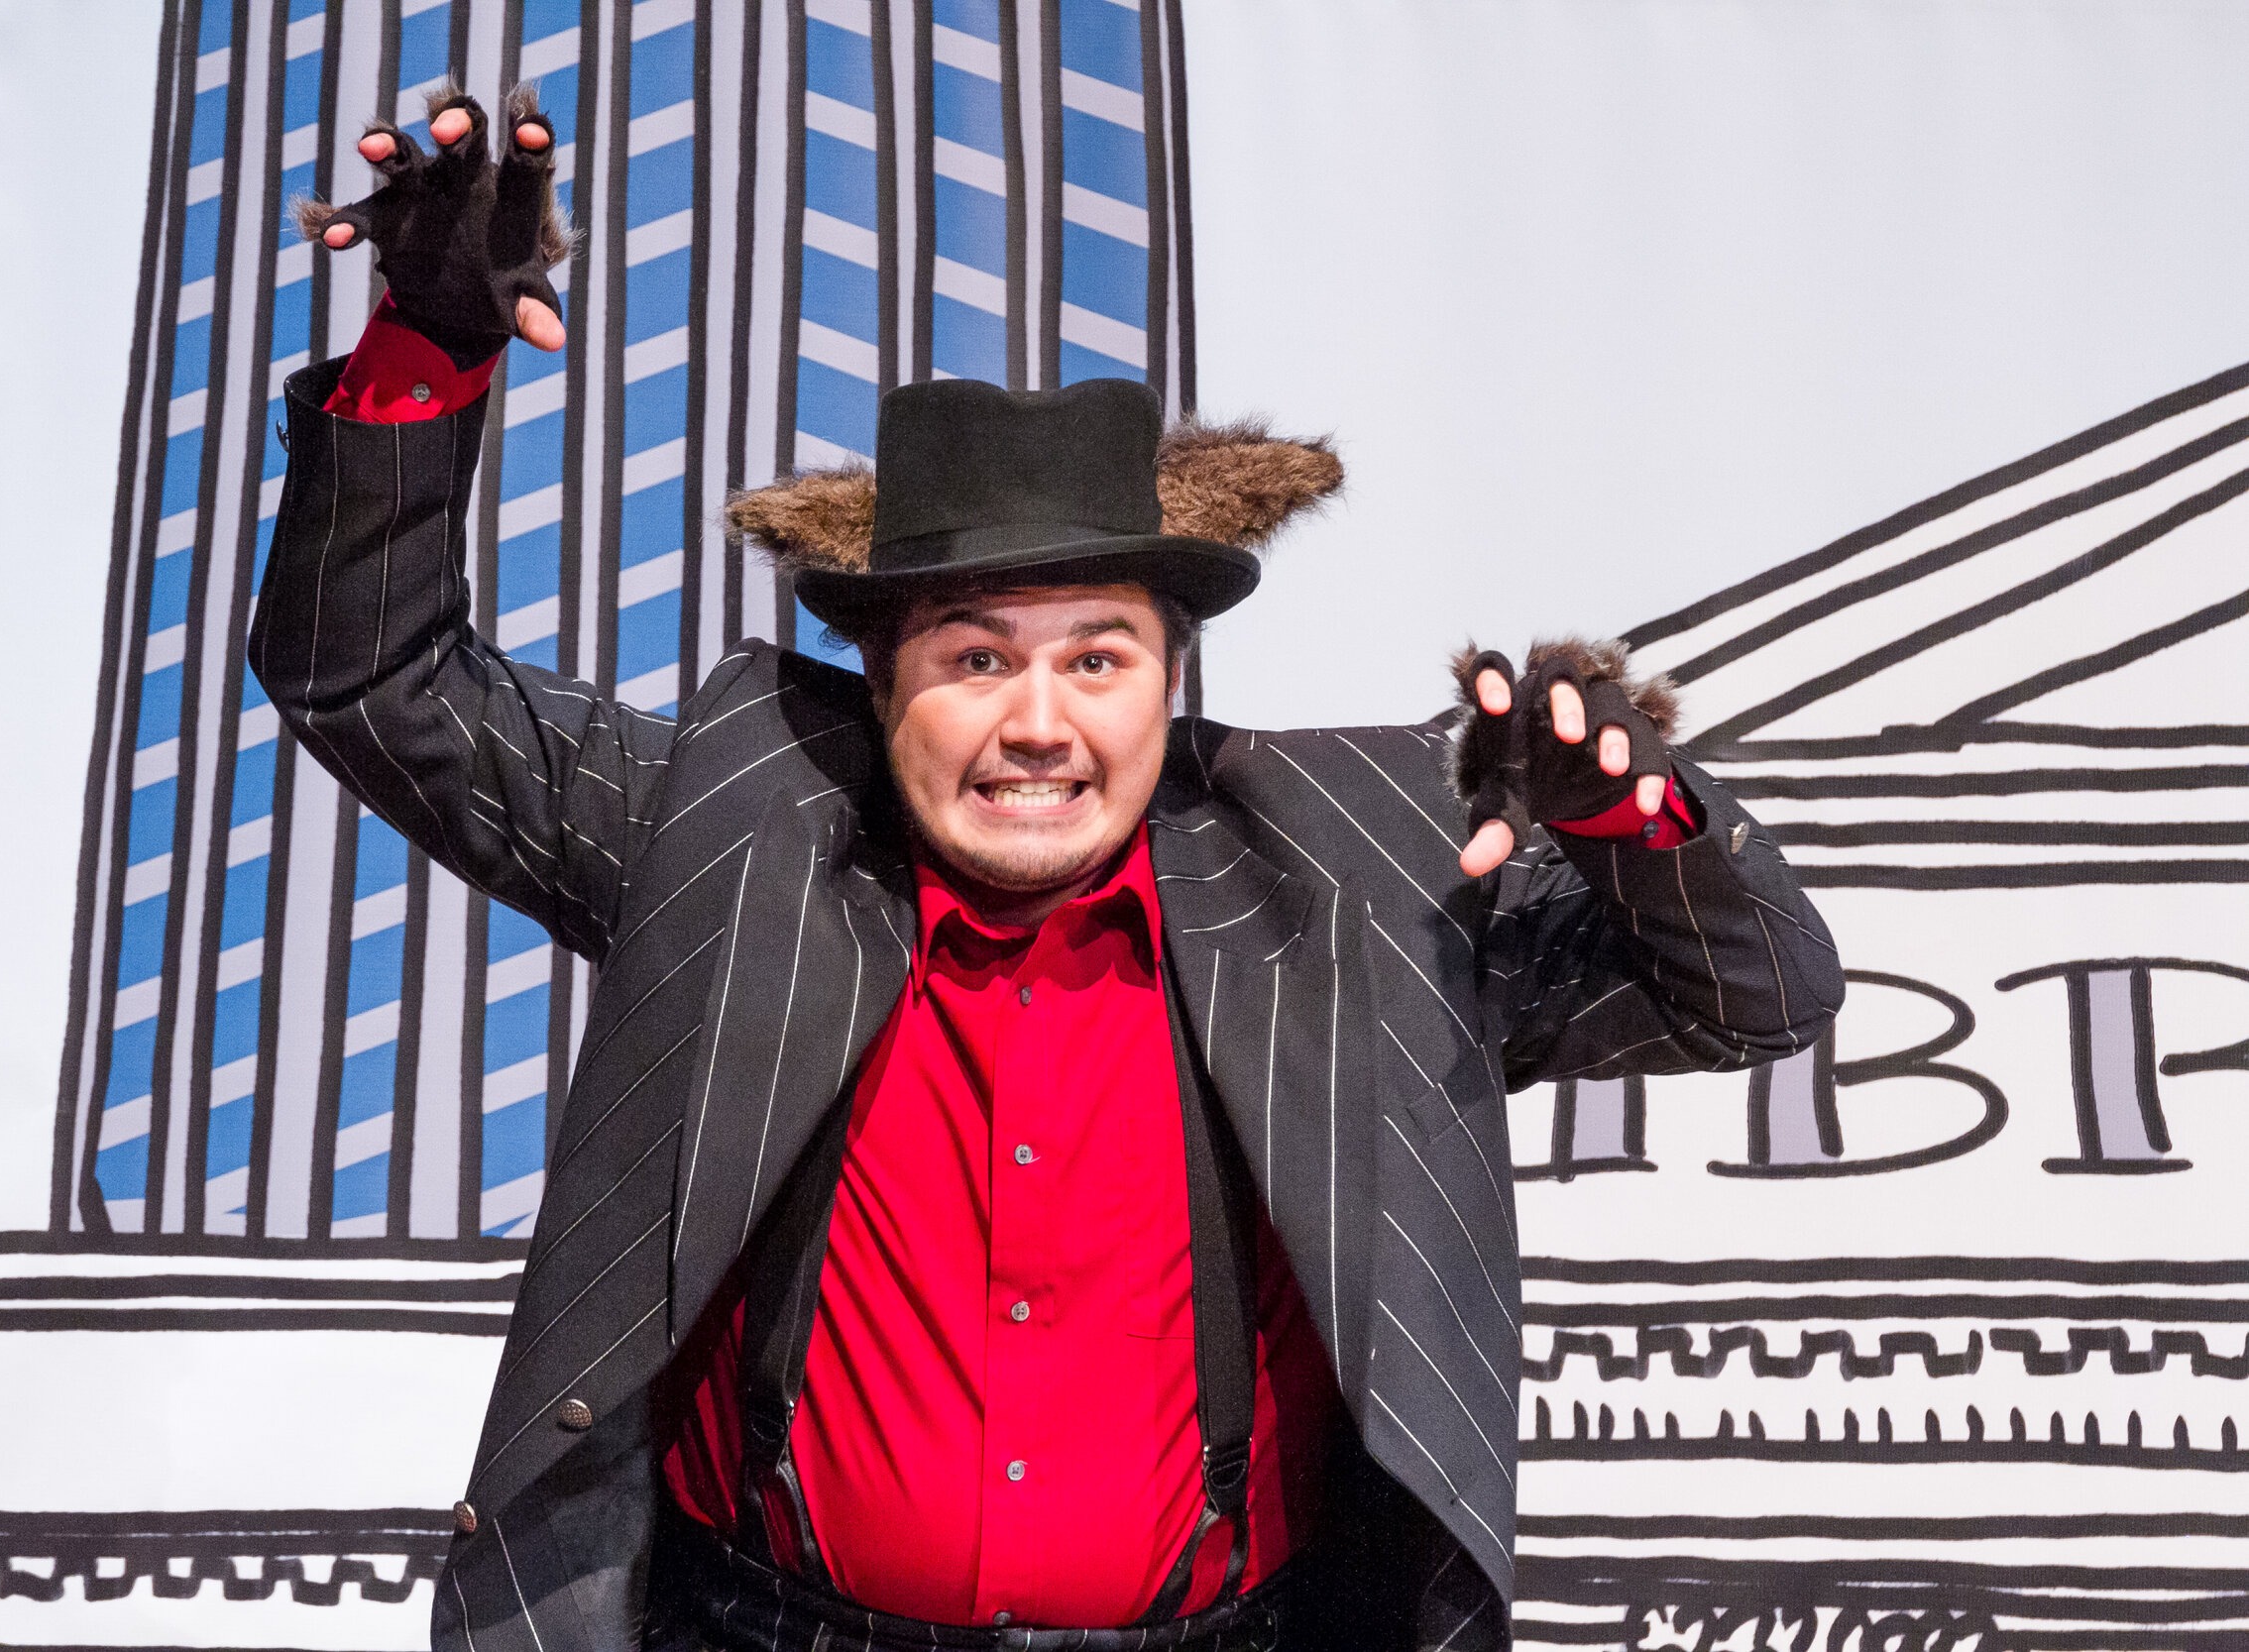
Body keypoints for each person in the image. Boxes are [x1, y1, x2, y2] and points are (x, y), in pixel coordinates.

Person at [252, 86, 1844, 1652]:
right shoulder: (732, 819)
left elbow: (1755, 995)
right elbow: (372, 680)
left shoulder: (1355, 871)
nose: (1036, 723)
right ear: (883, 685)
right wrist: (428, 351)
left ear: (1172, 683)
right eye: (972, 657)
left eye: (1096, 658)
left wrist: (1631, 818)